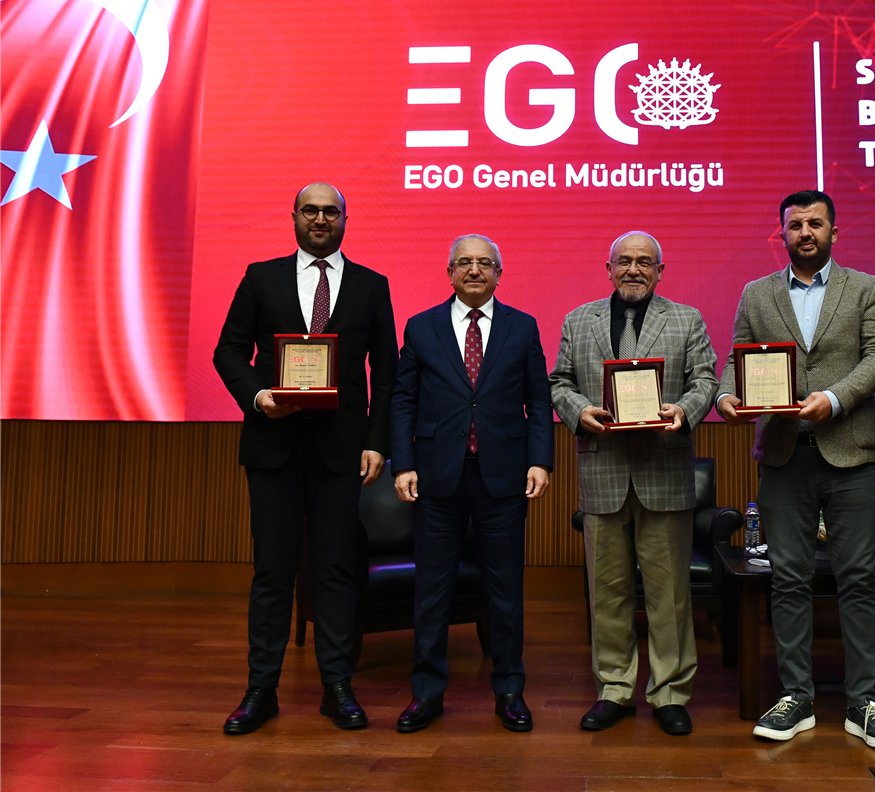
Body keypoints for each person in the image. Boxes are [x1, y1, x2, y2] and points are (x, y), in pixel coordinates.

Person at [717, 190, 875, 748]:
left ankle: (864, 702)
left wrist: (834, 398)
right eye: (795, 224)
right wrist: (726, 397)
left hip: (852, 452)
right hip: (783, 455)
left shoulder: (864, 287)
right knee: (789, 579)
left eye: (815, 223)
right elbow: (737, 359)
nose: (805, 232)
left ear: (833, 232)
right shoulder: (757, 293)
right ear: (782, 234)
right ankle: (796, 697)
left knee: (859, 579)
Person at [213, 182, 398, 733]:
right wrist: (257, 396)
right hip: (273, 446)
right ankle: (261, 689)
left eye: (330, 211)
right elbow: (228, 350)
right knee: (272, 570)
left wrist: (377, 441)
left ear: (345, 220)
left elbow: (386, 372)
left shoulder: (372, 285)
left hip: (342, 451)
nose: (321, 219)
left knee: (336, 568)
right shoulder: (260, 276)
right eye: (310, 211)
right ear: (293, 217)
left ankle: (336, 686)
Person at [549, 231, 717, 736]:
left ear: (660, 271)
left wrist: (682, 411)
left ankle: (670, 692)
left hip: (663, 471)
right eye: (624, 261)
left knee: (669, 595)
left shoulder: (686, 319)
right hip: (603, 470)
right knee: (608, 592)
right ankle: (615, 689)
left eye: (645, 262)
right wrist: (580, 411)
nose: (634, 270)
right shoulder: (578, 320)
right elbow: (559, 382)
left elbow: (706, 380)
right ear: (609, 269)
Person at [389, 234, 554, 734]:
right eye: (465, 262)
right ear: (450, 273)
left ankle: (509, 691)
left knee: (505, 591)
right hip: (436, 477)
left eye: (485, 263)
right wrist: (403, 464)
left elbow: (538, 401)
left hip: (504, 476)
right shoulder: (422, 326)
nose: (475, 270)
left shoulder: (523, 327)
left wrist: (540, 461)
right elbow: (403, 400)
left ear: (499, 274)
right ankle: (426, 693)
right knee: (431, 591)